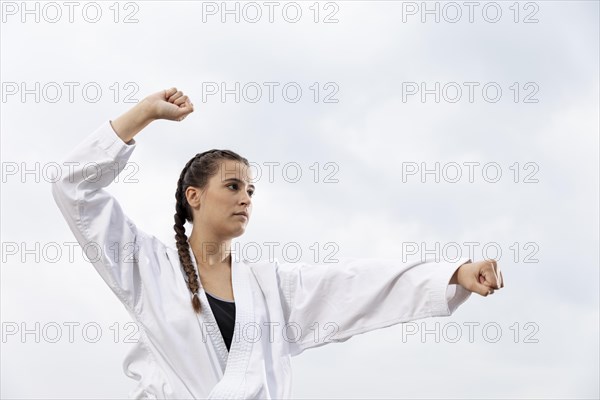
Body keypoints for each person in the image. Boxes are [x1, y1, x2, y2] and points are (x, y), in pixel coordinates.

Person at [51, 87, 505, 399]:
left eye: (251, 190)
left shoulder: (269, 287)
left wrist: (452, 273)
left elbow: (353, 284)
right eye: (232, 187)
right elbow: (74, 188)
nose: (246, 197)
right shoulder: (145, 268)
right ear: (194, 196)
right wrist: (144, 114)